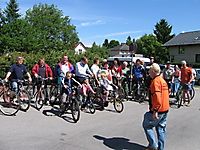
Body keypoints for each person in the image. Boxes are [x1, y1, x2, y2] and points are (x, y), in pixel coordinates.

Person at [143, 63, 170, 150]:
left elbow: (157, 98)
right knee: (161, 129)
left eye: (150, 71)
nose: (149, 73)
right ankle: (161, 148)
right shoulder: (163, 81)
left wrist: (155, 111)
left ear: (154, 71)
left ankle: (153, 145)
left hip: (158, 110)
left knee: (147, 125)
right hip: (165, 109)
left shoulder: (155, 82)